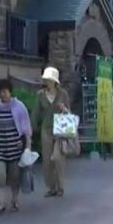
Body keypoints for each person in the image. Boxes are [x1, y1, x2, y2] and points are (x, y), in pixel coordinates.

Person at [0, 79, 33, 215]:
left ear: (10, 92)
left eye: (5, 91)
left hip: (15, 148)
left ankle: (15, 200)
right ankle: (1, 204)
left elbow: (26, 129)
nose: (3, 94)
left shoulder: (19, 107)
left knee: (14, 177)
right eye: (0, 92)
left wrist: (28, 146)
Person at [34, 66, 71, 197]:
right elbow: (36, 112)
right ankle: (51, 187)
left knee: (57, 158)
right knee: (47, 159)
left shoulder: (63, 94)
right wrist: (32, 127)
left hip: (60, 129)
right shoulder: (40, 95)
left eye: (50, 80)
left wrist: (64, 109)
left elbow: (69, 112)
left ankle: (60, 186)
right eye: (46, 79)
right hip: (46, 129)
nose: (47, 82)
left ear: (55, 81)